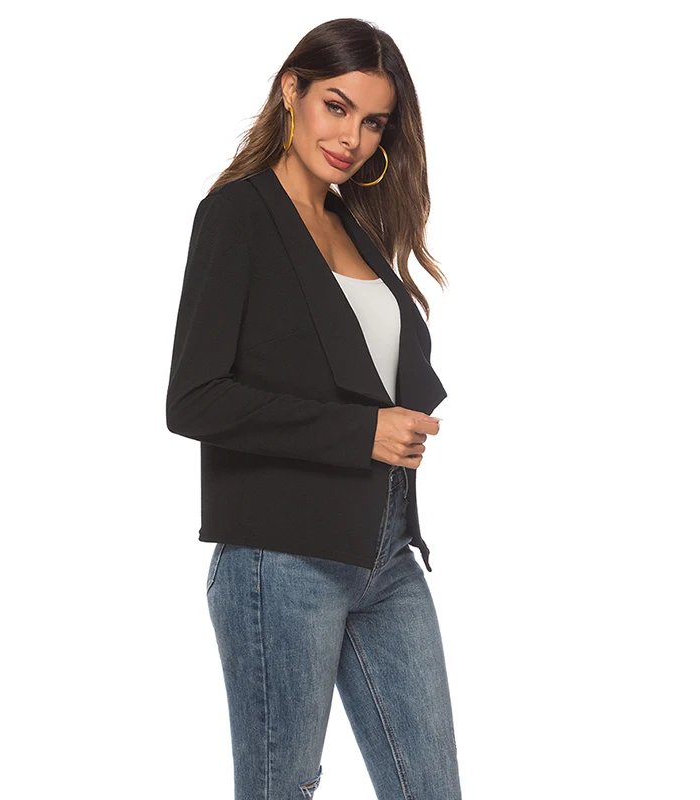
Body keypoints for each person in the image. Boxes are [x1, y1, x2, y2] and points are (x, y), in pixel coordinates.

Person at [165, 17, 462, 799]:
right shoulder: (236, 215)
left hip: (387, 556)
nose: (351, 138)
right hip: (283, 559)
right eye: (337, 107)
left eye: (374, 122)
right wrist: (361, 431)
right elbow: (193, 399)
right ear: (291, 90)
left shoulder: (353, 224)